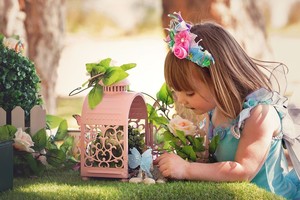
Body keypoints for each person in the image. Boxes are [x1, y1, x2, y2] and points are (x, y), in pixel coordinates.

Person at [154, 12, 300, 199]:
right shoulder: (215, 112)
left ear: (218, 79)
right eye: (177, 92)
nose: (181, 101)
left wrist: (187, 169)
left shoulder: (260, 114)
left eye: (190, 93)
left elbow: (243, 170)